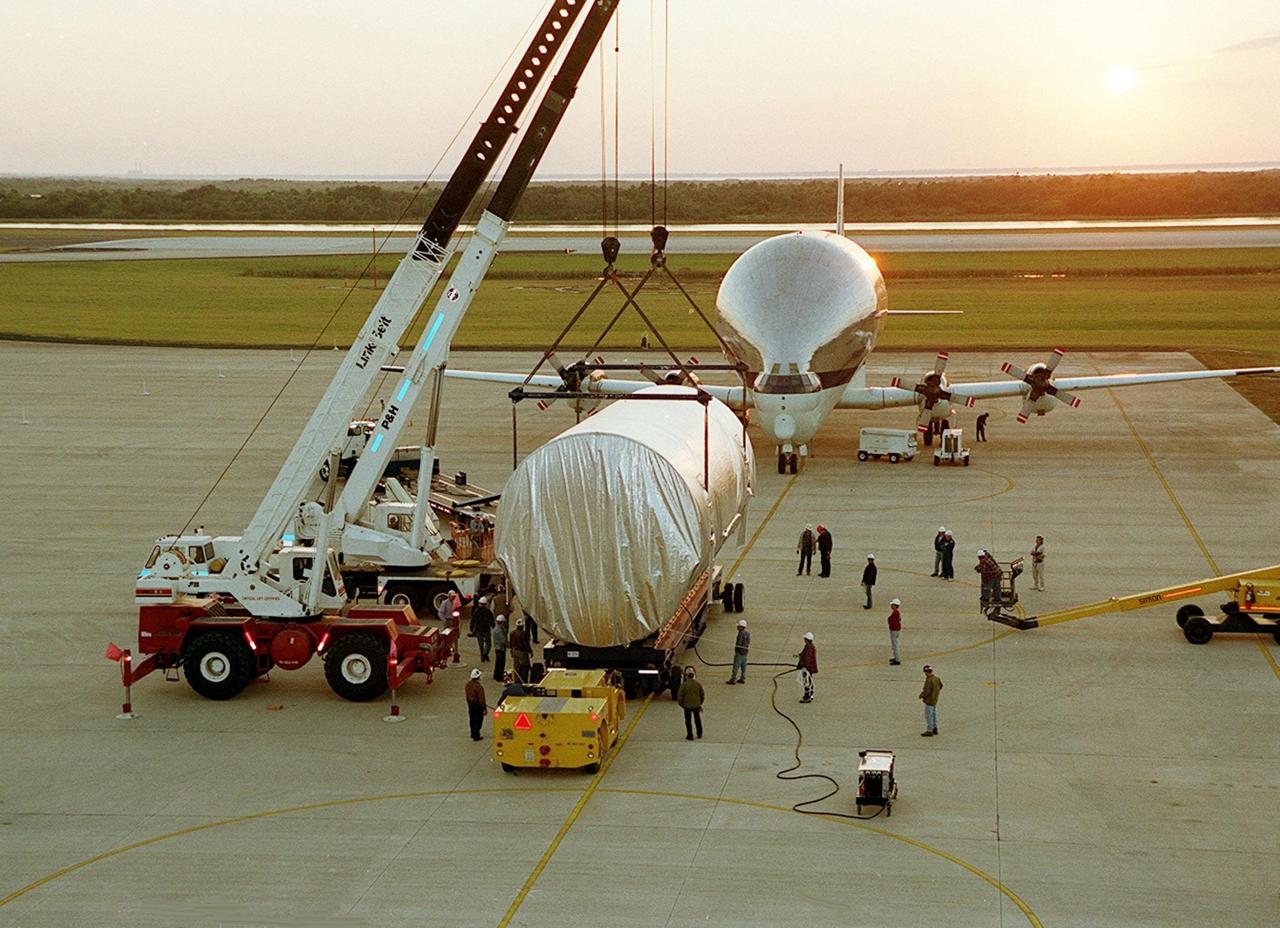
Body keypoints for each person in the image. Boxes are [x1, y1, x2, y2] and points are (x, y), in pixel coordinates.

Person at [676, 667, 705, 740]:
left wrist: (682, 704)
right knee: (697, 720)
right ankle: (699, 733)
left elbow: (680, 696)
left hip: (687, 706)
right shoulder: (698, 684)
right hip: (696, 705)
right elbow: (702, 695)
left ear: (686, 676)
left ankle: (690, 735)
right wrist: (699, 703)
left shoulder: (684, 685)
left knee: (688, 721)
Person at [919, 664, 943, 736]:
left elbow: (927, 691)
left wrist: (921, 695)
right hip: (935, 699)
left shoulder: (929, 680)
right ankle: (935, 727)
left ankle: (930, 730)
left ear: (926, 672)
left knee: (928, 715)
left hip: (929, 700)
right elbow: (941, 686)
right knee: (934, 714)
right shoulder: (937, 678)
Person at [470, 596, 495, 663]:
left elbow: (473, 621)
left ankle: (482, 656)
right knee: (488, 643)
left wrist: (471, 629)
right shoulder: (488, 612)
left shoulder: (476, 611)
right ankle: (485, 653)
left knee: (480, 644)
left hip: (479, 630)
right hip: (486, 629)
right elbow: (492, 621)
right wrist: (493, 627)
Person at [465, 668, 487, 741]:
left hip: (471, 704)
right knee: (478, 720)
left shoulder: (468, 684)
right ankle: (476, 735)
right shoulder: (479, 687)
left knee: (472, 719)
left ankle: (472, 733)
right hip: (477, 705)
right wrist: (484, 708)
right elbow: (481, 698)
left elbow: (467, 696)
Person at [508, 618, 532, 682]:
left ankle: (516, 680)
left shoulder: (512, 633)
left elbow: (510, 643)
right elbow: (526, 644)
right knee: (524, 667)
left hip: (514, 651)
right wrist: (530, 651)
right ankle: (523, 680)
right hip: (522, 652)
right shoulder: (523, 634)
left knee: (516, 667)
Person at [727, 619, 750, 684]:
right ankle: (743, 678)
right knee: (743, 666)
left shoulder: (740, 634)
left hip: (739, 653)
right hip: (745, 652)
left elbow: (739, 643)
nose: (737, 627)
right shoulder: (747, 633)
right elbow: (748, 642)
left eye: (738, 626)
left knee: (736, 666)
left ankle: (733, 679)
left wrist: (737, 650)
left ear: (741, 627)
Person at [796, 632, 817, 702]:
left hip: (808, 668)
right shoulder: (809, 646)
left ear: (807, 639)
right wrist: (800, 655)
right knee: (809, 680)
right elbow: (805, 654)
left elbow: (807, 658)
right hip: (810, 667)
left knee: (806, 681)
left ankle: (807, 696)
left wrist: (805, 666)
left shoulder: (809, 648)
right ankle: (810, 695)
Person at [491, 615, 508, 682]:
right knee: (501, 663)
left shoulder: (498, 629)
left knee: (498, 663)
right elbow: (503, 640)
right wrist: (509, 645)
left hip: (498, 648)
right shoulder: (498, 631)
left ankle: (496, 675)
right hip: (500, 649)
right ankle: (499, 677)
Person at [887, 598, 903, 665]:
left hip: (894, 630)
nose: (891, 606)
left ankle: (897, 659)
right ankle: (896, 657)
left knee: (895, 645)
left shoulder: (896, 613)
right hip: (895, 630)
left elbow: (891, 621)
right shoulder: (896, 613)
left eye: (892, 605)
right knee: (894, 644)